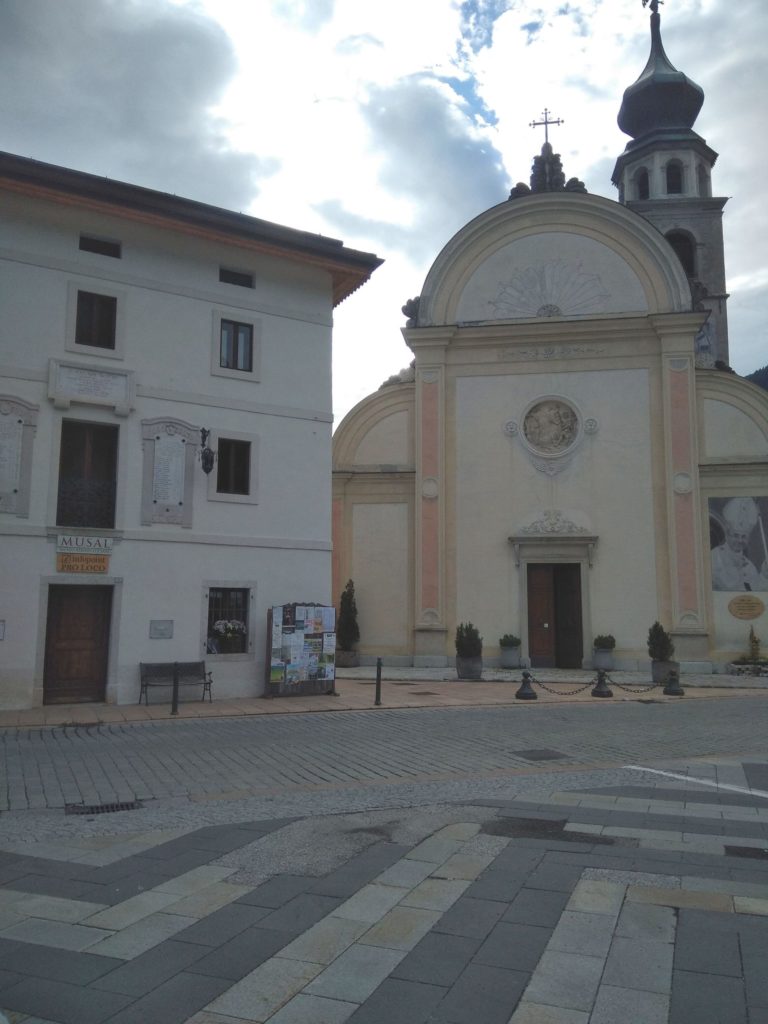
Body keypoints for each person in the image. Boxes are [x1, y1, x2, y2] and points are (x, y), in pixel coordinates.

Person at [711, 498, 768, 592]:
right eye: (736, 535)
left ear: (748, 539)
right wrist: (736, 569)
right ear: (727, 535)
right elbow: (727, 588)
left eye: (744, 536)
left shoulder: (749, 566)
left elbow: (753, 592)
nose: (740, 540)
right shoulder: (714, 556)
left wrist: (764, 576)